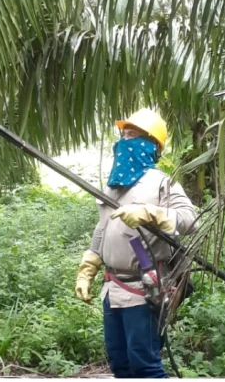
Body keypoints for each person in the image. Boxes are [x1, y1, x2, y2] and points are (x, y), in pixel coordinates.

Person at [73, 109, 198, 378]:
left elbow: (190, 220)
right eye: (124, 134)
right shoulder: (113, 187)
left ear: (152, 145)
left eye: (134, 135)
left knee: (145, 366)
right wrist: (87, 269)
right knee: (120, 365)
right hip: (112, 289)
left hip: (144, 289)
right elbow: (102, 229)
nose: (125, 141)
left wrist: (150, 213)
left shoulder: (163, 183)